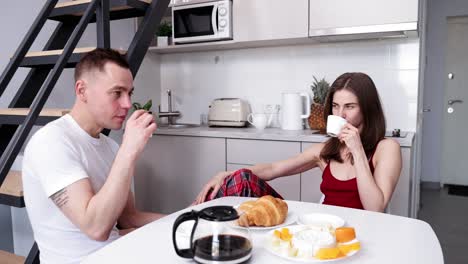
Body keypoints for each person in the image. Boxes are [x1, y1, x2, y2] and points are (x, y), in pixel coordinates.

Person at [22, 48, 163, 264]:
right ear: (82, 91)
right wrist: (129, 150)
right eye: (117, 93)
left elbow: (129, 217)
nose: (127, 104)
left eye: (129, 93)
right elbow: (95, 227)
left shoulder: (111, 147)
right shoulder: (51, 142)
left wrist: (189, 217)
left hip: (115, 253)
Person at [195, 72, 402, 212]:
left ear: (367, 108)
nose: (341, 114)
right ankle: (190, 222)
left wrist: (357, 150)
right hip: (322, 228)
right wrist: (226, 175)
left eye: (349, 106)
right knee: (241, 179)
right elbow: (274, 168)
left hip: (358, 233)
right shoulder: (325, 151)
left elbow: (376, 208)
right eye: (336, 106)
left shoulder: (386, 149)